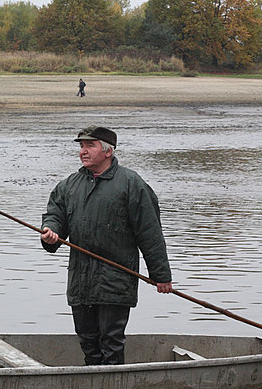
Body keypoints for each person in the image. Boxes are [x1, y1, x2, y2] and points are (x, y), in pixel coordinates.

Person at [40, 126, 173, 366]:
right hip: (80, 281)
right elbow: (54, 215)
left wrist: (160, 275)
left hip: (116, 281)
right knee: (88, 341)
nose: (83, 151)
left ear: (108, 151)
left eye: (89, 146)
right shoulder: (69, 185)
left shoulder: (132, 184)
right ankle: (93, 385)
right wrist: (51, 233)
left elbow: (150, 234)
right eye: (81, 146)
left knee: (111, 342)